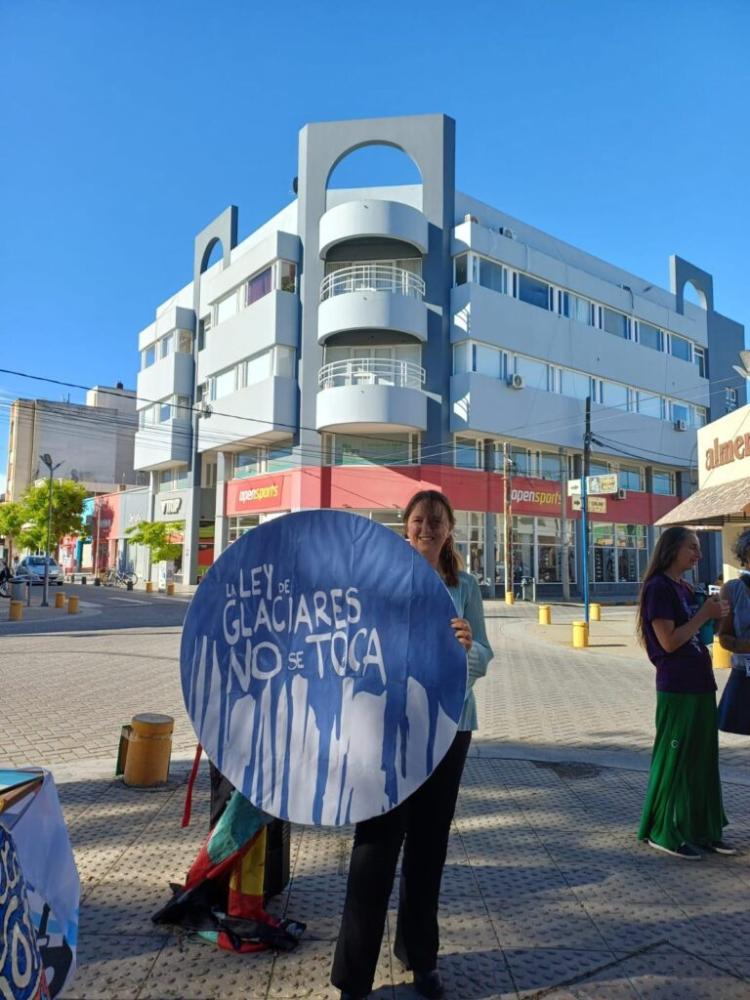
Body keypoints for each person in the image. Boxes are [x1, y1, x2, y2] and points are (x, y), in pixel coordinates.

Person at [331, 490, 494, 1000]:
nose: (427, 528)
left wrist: (467, 650)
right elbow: (353, 649)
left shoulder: (463, 587)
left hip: (449, 729)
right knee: (374, 849)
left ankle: (420, 958)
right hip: (388, 729)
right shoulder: (379, 583)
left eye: (437, 521)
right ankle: (354, 977)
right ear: (406, 527)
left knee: (429, 848)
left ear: (449, 530)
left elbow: (485, 653)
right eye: (419, 520)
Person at [636, 526, 734, 860]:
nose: (699, 555)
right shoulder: (658, 588)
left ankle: (702, 829)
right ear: (672, 549)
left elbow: (698, 636)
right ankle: (663, 830)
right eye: (692, 548)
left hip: (701, 683)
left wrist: (717, 617)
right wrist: (702, 615)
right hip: (676, 687)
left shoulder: (683, 587)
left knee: (702, 761)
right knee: (675, 758)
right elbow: (668, 641)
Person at [716, 529, 750, 735]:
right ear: (745, 554)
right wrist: (744, 645)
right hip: (745, 676)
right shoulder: (732, 589)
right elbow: (724, 638)